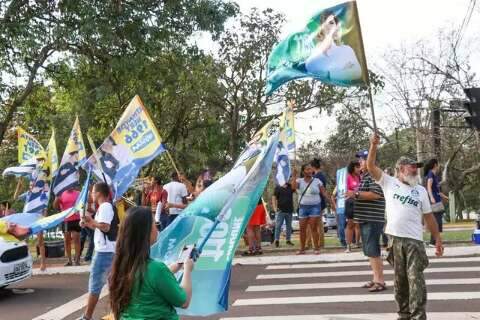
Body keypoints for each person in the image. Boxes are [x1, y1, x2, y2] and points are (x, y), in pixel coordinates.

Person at [367, 133, 443, 320]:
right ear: (400, 169)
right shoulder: (389, 183)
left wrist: (438, 239)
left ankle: (418, 316)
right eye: (412, 167)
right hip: (394, 240)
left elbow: (429, 217)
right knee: (400, 283)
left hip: (415, 242)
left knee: (416, 280)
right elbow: (370, 166)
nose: (416, 170)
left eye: (417, 167)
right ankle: (403, 315)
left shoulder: (421, 191)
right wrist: (373, 146)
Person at [109, 206, 194, 320]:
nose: (157, 228)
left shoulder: (120, 266)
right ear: (145, 231)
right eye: (154, 223)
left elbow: (147, 278)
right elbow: (184, 301)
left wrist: (178, 265)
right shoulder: (156, 269)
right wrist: (187, 269)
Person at [78, 182, 117, 320]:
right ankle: (117, 313)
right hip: (108, 250)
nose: (91, 194)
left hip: (104, 252)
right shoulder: (105, 207)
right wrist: (89, 222)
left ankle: (87, 317)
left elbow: (105, 227)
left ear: (99, 193)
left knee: (95, 285)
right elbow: (101, 227)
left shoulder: (105, 206)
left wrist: (92, 221)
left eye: (93, 192)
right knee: (113, 284)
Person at [351, 150, 386, 292]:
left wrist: (356, 193)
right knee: (369, 250)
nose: (360, 162)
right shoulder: (365, 175)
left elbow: (376, 194)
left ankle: (380, 281)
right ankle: (375, 278)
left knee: (373, 249)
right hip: (366, 217)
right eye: (359, 159)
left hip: (372, 217)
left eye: (363, 159)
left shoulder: (373, 174)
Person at [304, 11, 362, 83]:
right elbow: (310, 67)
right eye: (324, 23)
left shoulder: (347, 50)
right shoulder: (313, 56)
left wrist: (329, 74)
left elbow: (357, 72)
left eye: (331, 22)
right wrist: (344, 70)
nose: (327, 26)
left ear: (336, 27)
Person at [292, 163, 335, 255]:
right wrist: (294, 175)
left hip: (315, 207)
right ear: (303, 171)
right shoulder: (299, 181)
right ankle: (302, 249)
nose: (309, 171)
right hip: (303, 207)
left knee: (314, 228)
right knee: (302, 228)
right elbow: (293, 188)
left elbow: (324, 193)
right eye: (307, 169)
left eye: (310, 169)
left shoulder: (317, 181)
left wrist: (332, 203)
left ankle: (316, 248)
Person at [54, 187, 81, 266]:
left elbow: (83, 204)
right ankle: (69, 260)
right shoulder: (61, 194)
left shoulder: (78, 193)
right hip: (66, 220)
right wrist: (57, 200)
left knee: (76, 239)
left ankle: (77, 260)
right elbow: (56, 207)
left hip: (76, 219)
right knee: (67, 240)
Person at [424, 159, 449, 245]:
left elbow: (437, 190)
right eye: (438, 165)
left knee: (437, 220)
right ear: (435, 165)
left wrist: (444, 197)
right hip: (434, 201)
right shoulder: (431, 174)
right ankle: (432, 241)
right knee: (436, 220)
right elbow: (429, 187)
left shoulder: (435, 176)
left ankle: (434, 241)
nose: (439, 166)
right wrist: (431, 197)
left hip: (437, 200)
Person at [307, 158, 327, 249]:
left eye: (310, 167)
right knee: (318, 224)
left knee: (317, 224)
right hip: (320, 202)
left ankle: (319, 243)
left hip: (317, 203)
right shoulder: (321, 175)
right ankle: (319, 243)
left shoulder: (317, 177)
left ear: (313, 167)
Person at [272, 180, 295, 248]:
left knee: (289, 226)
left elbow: (296, 190)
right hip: (280, 210)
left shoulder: (290, 187)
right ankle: (276, 240)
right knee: (278, 226)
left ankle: (288, 240)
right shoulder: (278, 187)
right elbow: (274, 198)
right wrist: (275, 208)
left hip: (289, 210)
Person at [345, 160, 362, 253]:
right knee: (350, 224)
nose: (359, 169)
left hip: (359, 202)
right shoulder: (348, 177)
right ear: (352, 168)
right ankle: (348, 245)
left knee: (358, 224)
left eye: (359, 167)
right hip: (350, 203)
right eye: (357, 167)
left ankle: (358, 243)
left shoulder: (360, 177)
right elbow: (347, 192)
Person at [80, 186, 95, 262]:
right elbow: (89, 208)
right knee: (92, 238)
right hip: (88, 218)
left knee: (82, 238)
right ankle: (88, 256)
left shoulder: (82, 194)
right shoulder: (89, 194)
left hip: (82, 218)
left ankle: (78, 255)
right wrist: (96, 212)